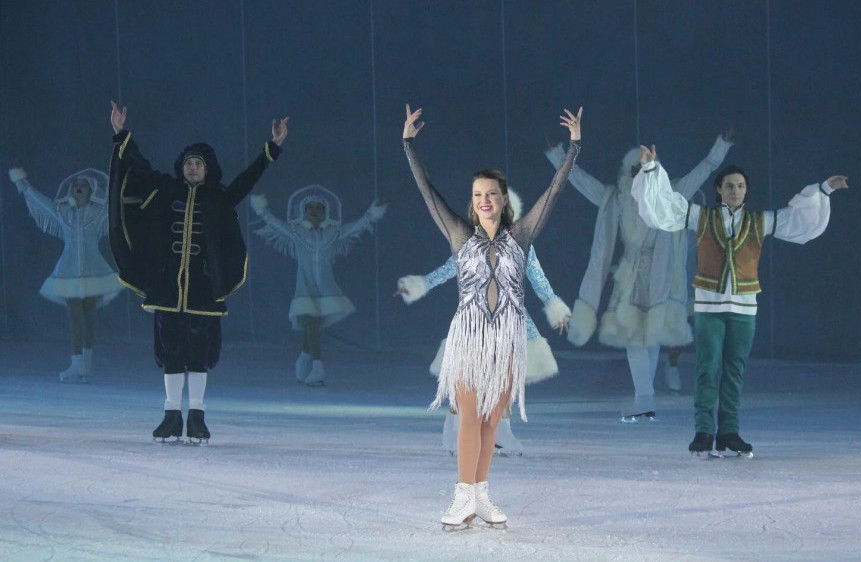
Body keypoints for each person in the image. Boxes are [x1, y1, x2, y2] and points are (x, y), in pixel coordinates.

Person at [403, 103, 580, 529]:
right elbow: (426, 189)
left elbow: (554, 192)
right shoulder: (458, 235)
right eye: (478, 194)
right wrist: (408, 143)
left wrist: (574, 147)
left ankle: (480, 496)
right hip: (468, 338)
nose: (484, 200)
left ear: (503, 200)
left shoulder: (522, 235)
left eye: (492, 194)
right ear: (472, 201)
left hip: (507, 340)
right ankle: (461, 495)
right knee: (468, 416)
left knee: (490, 422)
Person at [631, 144, 847, 456]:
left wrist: (825, 189)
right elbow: (664, 207)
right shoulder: (700, 216)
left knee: (735, 370)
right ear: (719, 190)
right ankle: (704, 431)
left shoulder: (760, 221)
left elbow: (798, 220)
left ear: (746, 191)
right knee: (708, 368)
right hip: (709, 307)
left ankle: (728, 432)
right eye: (730, 186)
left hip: (744, 308)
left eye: (740, 186)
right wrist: (651, 169)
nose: (735, 191)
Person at [106, 101, 288, 443]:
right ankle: (171, 415)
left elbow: (247, 180)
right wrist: (122, 133)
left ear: (208, 169)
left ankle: (198, 417)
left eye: (198, 164)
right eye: (189, 163)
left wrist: (272, 149)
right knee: (172, 352)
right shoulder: (167, 189)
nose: (192, 168)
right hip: (168, 288)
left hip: (203, 289)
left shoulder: (218, 197)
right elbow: (139, 166)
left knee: (198, 355)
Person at [545, 131, 733, 421]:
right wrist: (559, 156)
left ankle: (645, 398)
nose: (637, 174)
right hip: (630, 275)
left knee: (651, 335)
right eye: (633, 170)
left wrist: (722, 145)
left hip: (661, 274)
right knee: (632, 334)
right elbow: (579, 180)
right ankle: (644, 398)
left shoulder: (670, 193)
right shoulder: (616, 197)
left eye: (642, 168)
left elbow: (704, 169)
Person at [395, 188, 571, 456]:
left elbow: (537, 277)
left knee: (505, 378)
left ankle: (501, 432)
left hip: (510, 321)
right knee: (468, 378)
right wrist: (419, 285)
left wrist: (554, 306)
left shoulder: (521, 245)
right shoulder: (470, 244)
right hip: (474, 321)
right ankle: (455, 429)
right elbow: (447, 270)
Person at [250, 185, 386, 386]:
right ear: (303, 211)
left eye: (319, 208)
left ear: (325, 212)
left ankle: (303, 358)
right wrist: (261, 209)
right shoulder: (296, 232)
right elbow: (274, 223)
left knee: (311, 329)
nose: (314, 211)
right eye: (310, 208)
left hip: (326, 291)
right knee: (312, 326)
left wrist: (371, 215)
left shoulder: (332, 233)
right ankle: (317, 368)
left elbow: (356, 227)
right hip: (304, 289)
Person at [7, 167, 124, 382]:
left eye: (83, 185)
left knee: (89, 319)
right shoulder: (62, 211)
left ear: (91, 190)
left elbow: (117, 205)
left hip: (94, 271)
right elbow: (41, 203)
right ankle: (76, 364)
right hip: (68, 271)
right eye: (76, 185)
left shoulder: (98, 212)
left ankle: (85, 365)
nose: (79, 188)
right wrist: (23, 183)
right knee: (75, 318)